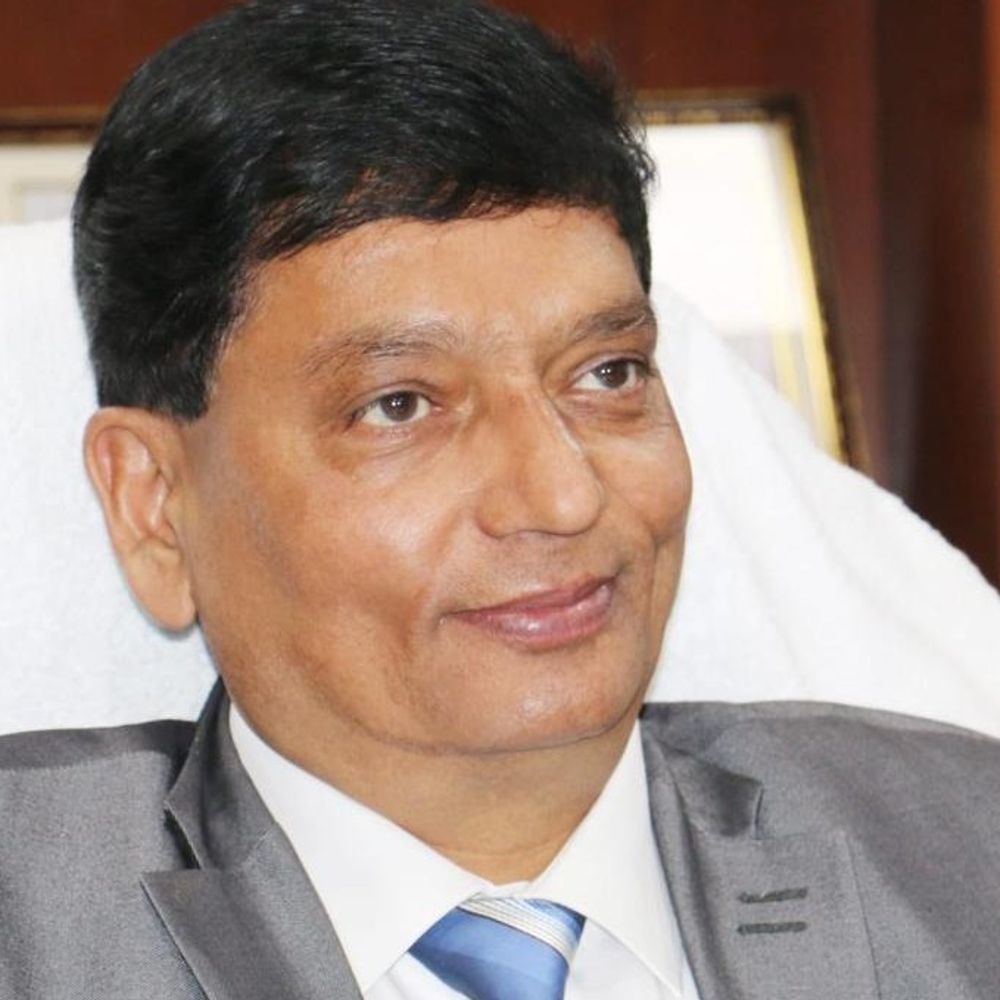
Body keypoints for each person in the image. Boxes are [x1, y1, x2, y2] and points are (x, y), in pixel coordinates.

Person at [3, 1, 1000, 997]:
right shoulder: (35, 921)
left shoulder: (964, 850)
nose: (564, 497)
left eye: (608, 374)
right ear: (154, 505)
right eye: (399, 405)